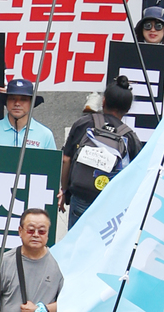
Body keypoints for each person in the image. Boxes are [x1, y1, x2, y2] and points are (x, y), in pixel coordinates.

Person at [59, 81, 141, 226]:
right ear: (127, 109)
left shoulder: (83, 123)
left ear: (103, 101)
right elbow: (135, 176)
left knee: (75, 245)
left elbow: (66, 159)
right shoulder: (130, 138)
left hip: (81, 195)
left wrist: (64, 191)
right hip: (110, 203)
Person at [0, 77, 55, 151]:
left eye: (23, 99)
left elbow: (52, 163)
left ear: (31, 103)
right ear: (6, 101)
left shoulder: (45, 134)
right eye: (12, 98)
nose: (17, 103)